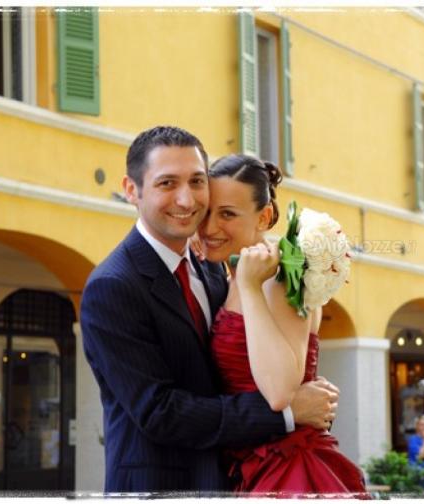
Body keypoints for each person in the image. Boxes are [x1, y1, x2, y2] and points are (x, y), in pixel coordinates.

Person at [81, 126, 338, 492]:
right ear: (131, 190)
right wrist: (286, 415)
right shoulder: (113, 285)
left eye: (196, 181)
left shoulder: (216, 268)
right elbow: (160, 412)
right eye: (167, 183)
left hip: (241, 474)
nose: (186, 201)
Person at [198, 154, 366, 496]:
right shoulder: (231, 274)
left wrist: (249, 287)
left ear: (266, 216)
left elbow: (279, 394)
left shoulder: (280, 281)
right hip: (248, 457)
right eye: (207, 213)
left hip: (287, 467)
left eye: (227, 214)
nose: (210, 227)